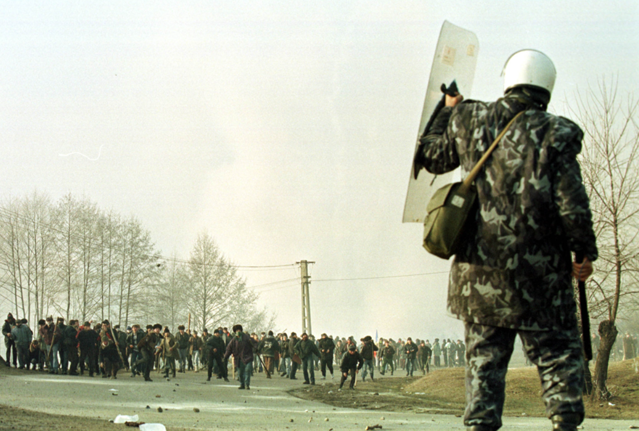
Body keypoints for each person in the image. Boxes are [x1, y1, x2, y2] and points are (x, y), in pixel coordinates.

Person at [414, 49, 597, 431]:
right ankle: (564, 423)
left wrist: (448, 109)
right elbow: (572, 205)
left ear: (508, 81)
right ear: (547, 87)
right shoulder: (558, 133)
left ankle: (481, 424)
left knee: (484, 366)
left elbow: (430, 156)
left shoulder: (470, 119)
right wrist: (583, 253)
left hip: (480, 279)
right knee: (557, 358)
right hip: (543, 279)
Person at [224, 324, 257, 390]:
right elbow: (229, 348)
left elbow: (255, 344)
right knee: (240, 373)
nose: (238, 331)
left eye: (239, 330)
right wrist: (225, 357)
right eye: (236, 330)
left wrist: (255, 348)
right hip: (238, 358)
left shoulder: (247, 338)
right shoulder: (234, 340)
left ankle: (247, 384)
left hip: (248, 357)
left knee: (247, 371)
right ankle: (242, 384)